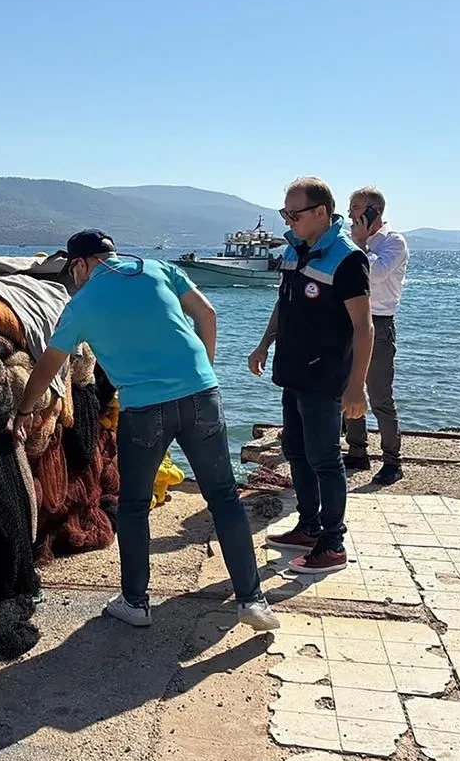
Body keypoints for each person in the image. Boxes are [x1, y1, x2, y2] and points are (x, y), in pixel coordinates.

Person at [14, 229, 280, 631]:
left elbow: (50, 365)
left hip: (143, 409)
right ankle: (252, 600)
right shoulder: (159, 269)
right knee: (224, 497)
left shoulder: (82, 303)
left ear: (81, 264)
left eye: (74, 269)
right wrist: (203, 370)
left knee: (135, 505)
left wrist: (23, 411)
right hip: (201, 395)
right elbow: (207, 314)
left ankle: (136, 602)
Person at [248, 178, 372, 575]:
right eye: (284, 213)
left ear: (321, 212)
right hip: (293, 370)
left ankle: (332, 544)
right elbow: (283, 306)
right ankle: (308, 525)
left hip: (325, 375)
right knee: (297, 453)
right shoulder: (293, 251)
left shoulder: (346, 258)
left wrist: (356, 387)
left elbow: (364, 328)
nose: (288, 220)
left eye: (294, 214)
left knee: (325, 459)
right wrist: (264, 343)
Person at [344, 186, 409, 485]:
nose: (350, 213)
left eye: (356, 208)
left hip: (380, 324)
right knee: (349, 387)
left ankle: (392, 460)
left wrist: (358, 244)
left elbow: (375, 273)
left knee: (380, 394)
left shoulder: (394, 242)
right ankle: (357, 451)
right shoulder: (353, 241)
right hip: (350, 321)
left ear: (374, 211)